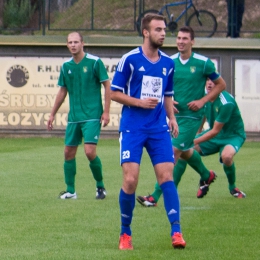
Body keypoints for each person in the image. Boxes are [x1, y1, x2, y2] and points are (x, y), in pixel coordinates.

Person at [111, 13, 186, 250]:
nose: (163, 33)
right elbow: (113, 93)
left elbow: (167, 95)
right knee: (131, 180)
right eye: (158, 30)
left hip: (158, 128)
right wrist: (139, 102)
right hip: (132, 127)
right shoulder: (129, 59)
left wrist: (171, 117)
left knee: (166, 177)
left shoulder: (168, 63)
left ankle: (176, 232)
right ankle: (125, 233)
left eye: (164, 30)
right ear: (145, 32)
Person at [137, 26, 226, 207]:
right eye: (178, 38)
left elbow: (221, 84)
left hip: (192, 118)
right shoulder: (169, 62)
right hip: (174, 118)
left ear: (192, 41)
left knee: (171, 153)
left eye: (185, 39)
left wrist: (202, 101)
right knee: (185, 152)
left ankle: (154, 197)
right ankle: (206, 175)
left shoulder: (203, 63)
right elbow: (161, 86)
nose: (181, 42)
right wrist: (167, 100)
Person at [47, 32, 111, 200]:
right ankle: (71, 191)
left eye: (76, 42)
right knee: (68, 152)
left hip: (92, 115)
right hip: (74, 117)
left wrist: (106, 111)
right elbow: (63, 90)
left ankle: (100, 186)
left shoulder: (95, 62)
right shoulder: (66, 66)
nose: (73, 45)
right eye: (70, 42)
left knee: (90, 152)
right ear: (67, 45)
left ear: (83, 43)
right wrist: (52, 114)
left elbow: (107, 85)